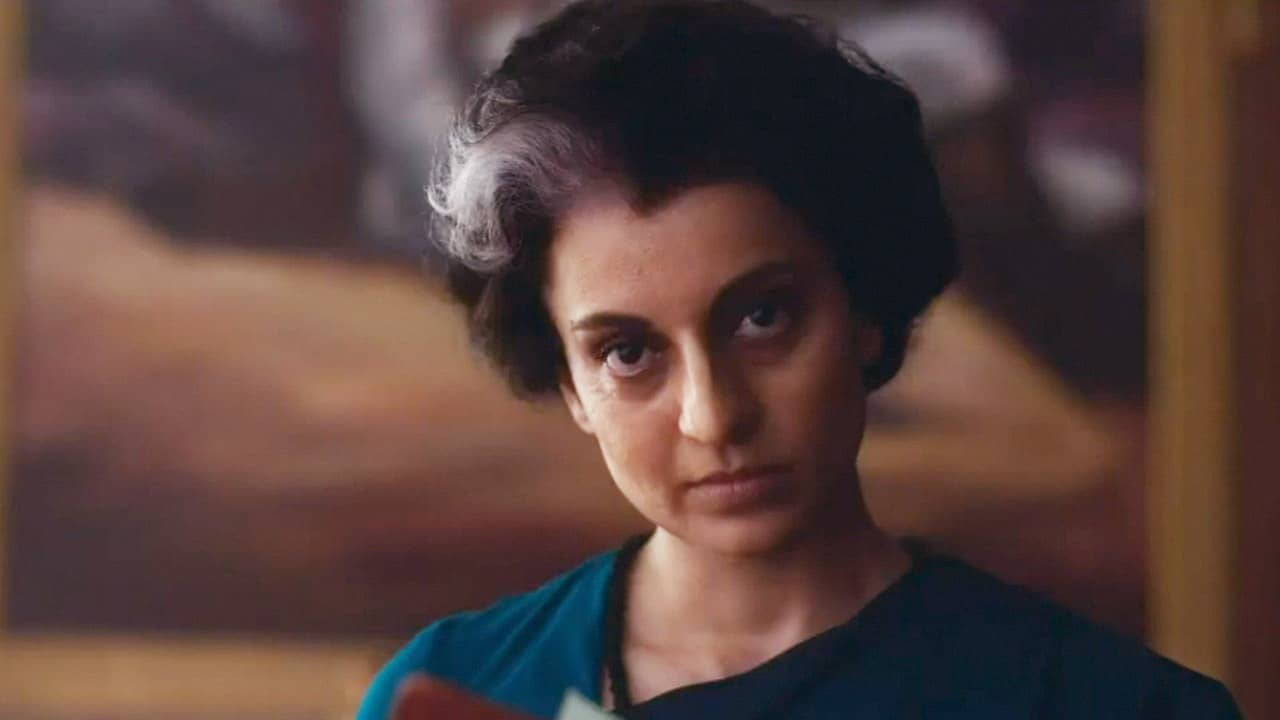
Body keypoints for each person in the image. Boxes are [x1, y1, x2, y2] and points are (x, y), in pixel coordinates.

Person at [357, 1, 1241, 717]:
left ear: (863, 307)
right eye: (627, 352)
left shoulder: (1110, 705)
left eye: (762, 318)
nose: (714, 415)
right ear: (569, 383)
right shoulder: (464, 685)